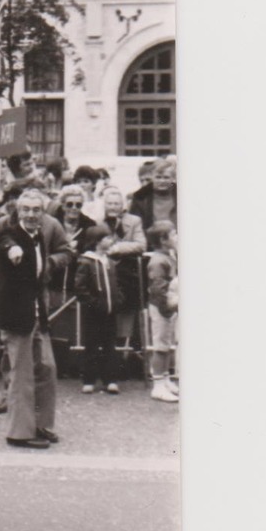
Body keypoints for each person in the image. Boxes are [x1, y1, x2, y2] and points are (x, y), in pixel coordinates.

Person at [0, 188, 69, 448]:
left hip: (37, 311)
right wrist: (11, 252)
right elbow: (4, 242)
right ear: (18, 211)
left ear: (43, 212)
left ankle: (41, 424)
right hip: (16, 314)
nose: (31, 214)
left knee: (47, 367)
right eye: (26, 210)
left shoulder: (41, 236)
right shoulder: (10, 233)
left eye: (36, 210)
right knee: (21, 373)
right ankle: (19, 433)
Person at [98, 185, 148, 365]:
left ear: (122, 205)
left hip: (126, 273)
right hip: (103, 273)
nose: (113, 207)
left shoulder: (134, 221)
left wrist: (118, 248)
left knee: (127, 313)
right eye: (110, 203)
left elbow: (141, 245)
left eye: (116, 203)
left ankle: (123, 356)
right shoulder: (98, 221)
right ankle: (107, 357)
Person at [74, 225, 124, 395]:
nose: (111, 241)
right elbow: (80, 288)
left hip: (110, 312)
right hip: (93, 313)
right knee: (92, 345)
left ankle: (110, 379)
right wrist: (93, 303)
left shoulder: (109, 261)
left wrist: (118, 300)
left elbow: (116, 285)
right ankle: (89, 380)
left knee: (110, 346)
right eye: (107, 238)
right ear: (97, 241)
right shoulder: (86, 261)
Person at [145, 221, 180, 403]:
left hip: (168, 308)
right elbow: (158, 289)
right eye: (174, 234)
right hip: (161, 308)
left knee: (166, 345)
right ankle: (157, 384)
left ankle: (165, 378)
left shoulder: (169, 256)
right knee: (160, 346)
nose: (177, 237)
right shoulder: (158, 261)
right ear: (163, 239)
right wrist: (168, 308)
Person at [129, 160, 177, 232]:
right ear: (152, 177)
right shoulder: (140, 198)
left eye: (166, 177)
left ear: (173, 178)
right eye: (158, 177)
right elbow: (134, 227)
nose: (162, 181)